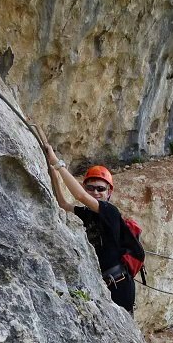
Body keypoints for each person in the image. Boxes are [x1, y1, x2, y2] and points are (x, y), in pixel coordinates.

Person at [37, 128, 144, 315]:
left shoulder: (110, 211)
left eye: (100, 189)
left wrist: (56, 162)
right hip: (105, 283)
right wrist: (52, 172)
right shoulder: (89, 214)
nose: (95, 192)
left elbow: (78, 195)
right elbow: (63, 204)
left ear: (109, 192)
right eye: (91, 188)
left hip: (119, 284)